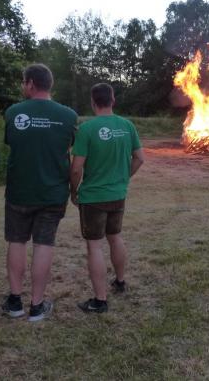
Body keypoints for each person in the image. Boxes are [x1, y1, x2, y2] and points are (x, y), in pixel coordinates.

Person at [1, 64, 78, 322]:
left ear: (31, 83)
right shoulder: (68, 115)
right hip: (53, 192)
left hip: (19, 191)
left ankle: (14, 301)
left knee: (17, 241)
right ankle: (36, 305)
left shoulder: (14, 112)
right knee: (44, 244)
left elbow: (12, 143)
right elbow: (69, 146)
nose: (23, 87)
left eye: (24, 82)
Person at [70, 83, 145, 314]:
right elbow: (139, 158)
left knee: (94, 246)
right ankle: (120, 282)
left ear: (93, 102)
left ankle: (100, 300)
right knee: (115, 237)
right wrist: (123, 178)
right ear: (113, 100)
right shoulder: (127, 125)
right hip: (117, 195)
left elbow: (76, 169)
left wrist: (74, 192)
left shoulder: (87, 129)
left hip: (93, 197)